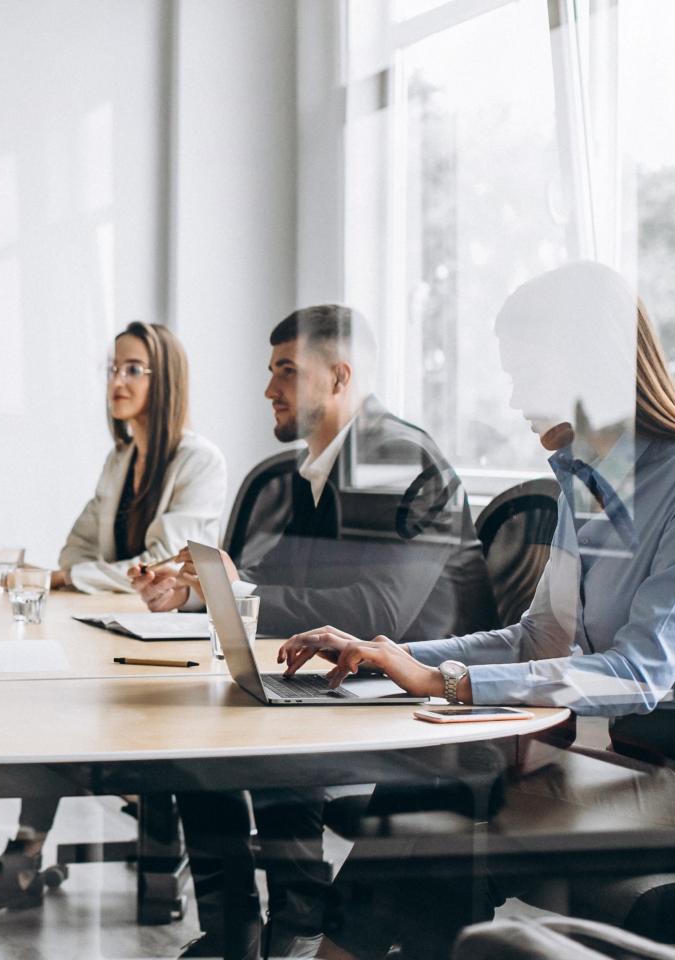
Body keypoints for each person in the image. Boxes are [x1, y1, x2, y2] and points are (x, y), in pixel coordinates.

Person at [274, 263, 675, 960]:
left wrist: (449, 682)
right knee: (425, 811)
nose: (515, 398)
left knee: (441, 814)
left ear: (587, 364)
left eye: (526, 373)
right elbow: (538, 636)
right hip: (644, 764)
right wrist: (390, 654)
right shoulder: (589, 484)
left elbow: (641, 674)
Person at [131, 305, 493, 958]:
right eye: (272, 370)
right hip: (347, 680)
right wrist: (194, 592)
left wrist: (239, 592)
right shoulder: (307, 471)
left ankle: (295, 924)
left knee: (253, 729)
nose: (269, 388)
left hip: (420, 691)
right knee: (188, 731)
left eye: (287, 371)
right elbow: (275, 588)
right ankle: (235, 931)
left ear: (339, 378)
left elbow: (379, 612)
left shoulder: (396, 459)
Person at [0, 321, 227, 912]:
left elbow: (161, 564)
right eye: (113, 368)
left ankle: (64, 860)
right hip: (117, 627)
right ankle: (25, 860)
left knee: (68, 705)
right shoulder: (120, 459)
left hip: (172, 642)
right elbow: (75, 551)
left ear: (166, 379)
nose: (117, 380)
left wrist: (84, 575)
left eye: (133, 369)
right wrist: (91, 573)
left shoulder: (200, 461)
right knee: (52, 695)